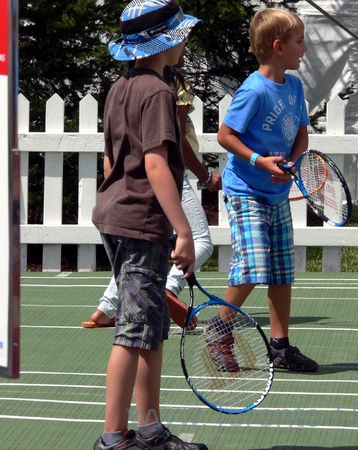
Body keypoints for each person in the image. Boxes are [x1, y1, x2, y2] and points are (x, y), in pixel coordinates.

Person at [91, 0, 208, 448]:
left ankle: (150, 429)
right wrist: (182, 230)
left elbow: (110, 157)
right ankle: (114, 437)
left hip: (118, 215)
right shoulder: (158, 93)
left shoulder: (120, 86)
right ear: (168, 40)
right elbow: (157, 165)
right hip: (141, 221)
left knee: (150, 328)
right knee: (133, 332)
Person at [207, 7, 319, 373]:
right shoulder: (253, 90)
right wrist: (260, 161)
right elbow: (225, 135)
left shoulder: (295, 86)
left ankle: (280, 347)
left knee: (281, 271)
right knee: (254, 268)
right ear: (278, 46)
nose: (304, 48)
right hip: (245, 192)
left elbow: (300, 133)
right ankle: (219, 331)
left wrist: (293, 163)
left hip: (275, 194)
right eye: (299, 41)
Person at [83, 47, 221, 330]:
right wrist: (205, 176)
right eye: (180, 38)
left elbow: (110, 156)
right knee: (199, 242)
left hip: (118, 198)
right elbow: (171, 147)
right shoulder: (165, 89)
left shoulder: (120, 86)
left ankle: (108, 307)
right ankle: (168, 289)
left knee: (132, 264)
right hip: (156, 188)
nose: (185, 46)